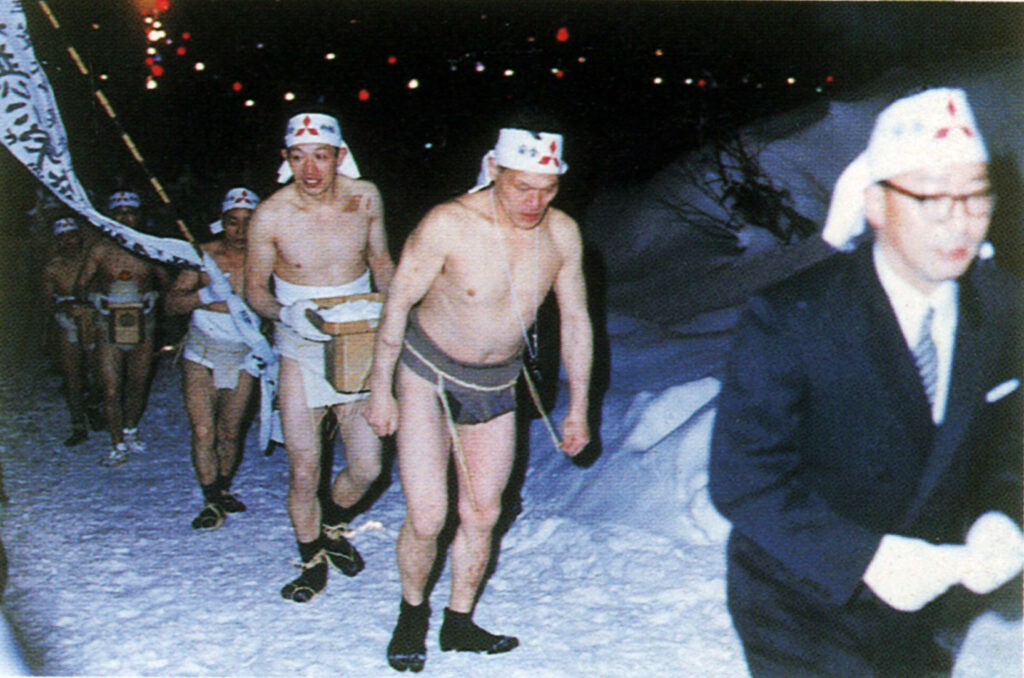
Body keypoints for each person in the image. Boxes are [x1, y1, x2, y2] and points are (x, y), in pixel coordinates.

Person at [709, 87, 1023, 678]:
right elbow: (743, 478)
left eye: (977, 196)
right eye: (933, 198)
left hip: (927, 599)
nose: (960, 220)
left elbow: (1011, 441)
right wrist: (866, 558)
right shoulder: (796, 315)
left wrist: (1005, 515)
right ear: (877, 203)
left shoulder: (1005, 305)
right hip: (804, 595)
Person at [365, 125, 593, 672]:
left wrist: (579, 406)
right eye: (521, 188)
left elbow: (578, 321)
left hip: (496, 385)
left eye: (547, 189)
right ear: (494, 171)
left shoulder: (561, 235)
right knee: (427, 516)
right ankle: (412, 615)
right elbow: (396, 303)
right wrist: (379, 389)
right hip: (427, 376)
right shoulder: (448, 224)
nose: (534, 202)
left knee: (484, 512)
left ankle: (459, 622)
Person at [246, 111, 394, 602]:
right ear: (286, 160)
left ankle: (330, 524)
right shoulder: (271, 214)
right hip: (302, 348)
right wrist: (286, 314)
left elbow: (381, 264)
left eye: (321, 156)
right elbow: (254, 292)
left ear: (339, 156)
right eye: (298, 157)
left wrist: (395, 321)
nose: (310, 169)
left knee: (369, 467)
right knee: (305, 468)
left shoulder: (364, 197)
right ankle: (310, 559)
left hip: (357, 341)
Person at [165, 188, 261, 531]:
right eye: (232, 222)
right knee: (203, 430)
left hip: (244, 355)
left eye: (248, 222)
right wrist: (205, 295)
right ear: (221, 224)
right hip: (201, 353)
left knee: (229, 432)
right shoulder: (202, 257)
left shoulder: (267, 258)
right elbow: (171, 304)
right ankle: (210, 499)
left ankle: (221, 488)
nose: (239, 230)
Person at [76, 191, 170, 467]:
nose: (125, 217)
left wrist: (155, 296)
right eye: (119, 212)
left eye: (130, 212)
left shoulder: (149, 248)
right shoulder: (100, 249)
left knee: (138, 383)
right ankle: (115, 443)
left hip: (144, 321)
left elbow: (168, 284)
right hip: (109, 322)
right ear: (111, 216)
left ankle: (129, 429)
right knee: (111, 389)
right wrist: (94, 298)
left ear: (139, 216)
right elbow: (81, 285)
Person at [41, 216, 101, 446]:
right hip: (67, 321)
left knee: (100, 371)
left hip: (93, 317)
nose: (69, 241)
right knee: (73, 375)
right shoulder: (52, 268)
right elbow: (47, 301)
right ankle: (78, 425)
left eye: (72, 236)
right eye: (63, 237)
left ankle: (95, 406)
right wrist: (62, 306)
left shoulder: (91, 260)